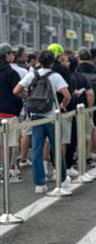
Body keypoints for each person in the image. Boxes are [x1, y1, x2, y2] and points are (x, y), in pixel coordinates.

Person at [13, 50, 71, 194]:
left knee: (38, 150)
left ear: (39, 60)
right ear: (52, 62)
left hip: (36, 116)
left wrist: (28, 97)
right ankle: (62, 180)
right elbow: (66, 95)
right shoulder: (55, 76)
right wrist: (62, 106)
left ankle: (39, 183)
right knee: (56, 148)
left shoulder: (32, 74)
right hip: (52, 117)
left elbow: (16, 90)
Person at [78, 48, 96, 159]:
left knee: (81, 130)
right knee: (95, 128)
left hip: (81, 103)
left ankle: (84, 154)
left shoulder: (77, 69)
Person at [0, 43, 23, 182]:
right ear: (6, 55)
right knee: (11, 143)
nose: (13, 55)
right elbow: (18, 92)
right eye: (11, 53)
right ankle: (9, 171)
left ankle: (1, 170)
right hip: (9, 112)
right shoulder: (11, 73)